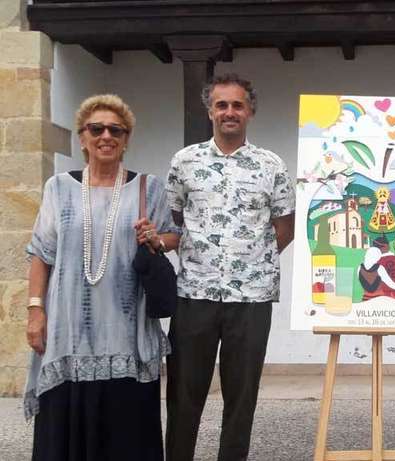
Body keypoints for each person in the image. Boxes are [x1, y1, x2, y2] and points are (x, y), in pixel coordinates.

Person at [24, 94, 180, 461]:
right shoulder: (58, 188)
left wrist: (154, 237)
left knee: (125, 432)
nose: (106, 136)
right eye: (96, 129)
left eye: (116, 130)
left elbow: (173, 236)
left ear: (126, 139)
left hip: (126, 332)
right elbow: (41, 254)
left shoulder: (148, 188)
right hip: (68, 333)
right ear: (82, 137)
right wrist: (35, 311)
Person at [165, 73, 295, 461]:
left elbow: (284, 228)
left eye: (238, 104)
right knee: (183, 393)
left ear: (250, 111)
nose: (229, 112)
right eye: (221, 105)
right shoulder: (184, 162)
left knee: (241, 398)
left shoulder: (271, 165)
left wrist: (251, 262)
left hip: (251, 298)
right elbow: (175, 219)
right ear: (210, 111)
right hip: (194, 294)